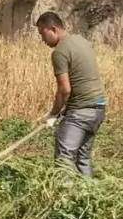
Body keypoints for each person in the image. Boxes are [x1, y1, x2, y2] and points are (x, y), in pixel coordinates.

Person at [35, 12, 107, 176]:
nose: (42, 39)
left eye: (42, 33)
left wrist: (53, 114)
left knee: (64, 159)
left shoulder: (59, 52)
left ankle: (66, 199)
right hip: (99, 108)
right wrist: (62, 110)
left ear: (53, 29)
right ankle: (87, 196)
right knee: (83, 158)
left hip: (80, 112)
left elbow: (65, 89)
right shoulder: (81, 41)